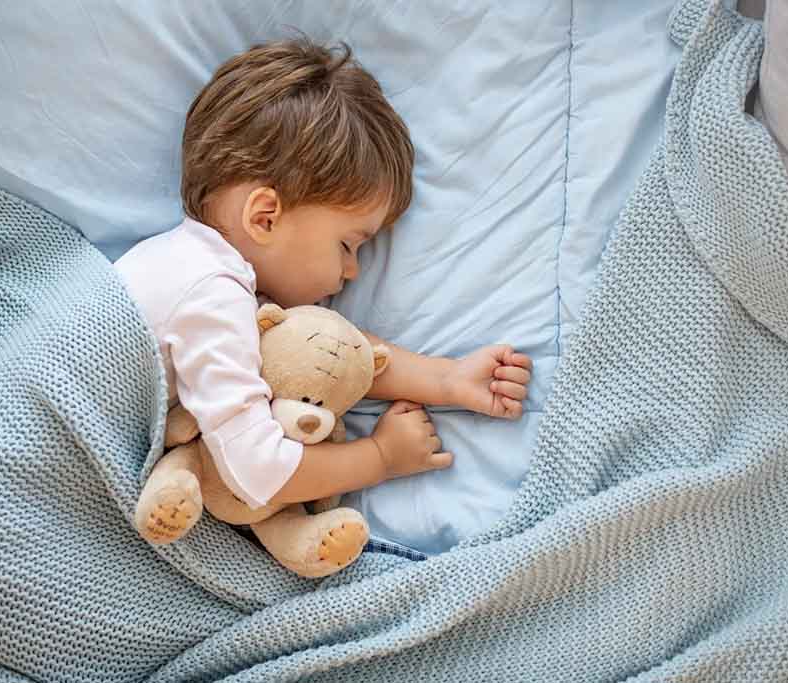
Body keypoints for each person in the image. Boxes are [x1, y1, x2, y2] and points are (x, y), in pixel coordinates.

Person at [114, 38, 532, 536]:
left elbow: (320, 354)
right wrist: (379, 458)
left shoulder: (196, 268)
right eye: (348, 245)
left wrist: (445, 379)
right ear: (265, 217)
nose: (352, 272)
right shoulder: (210, 293)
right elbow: (254, 470)